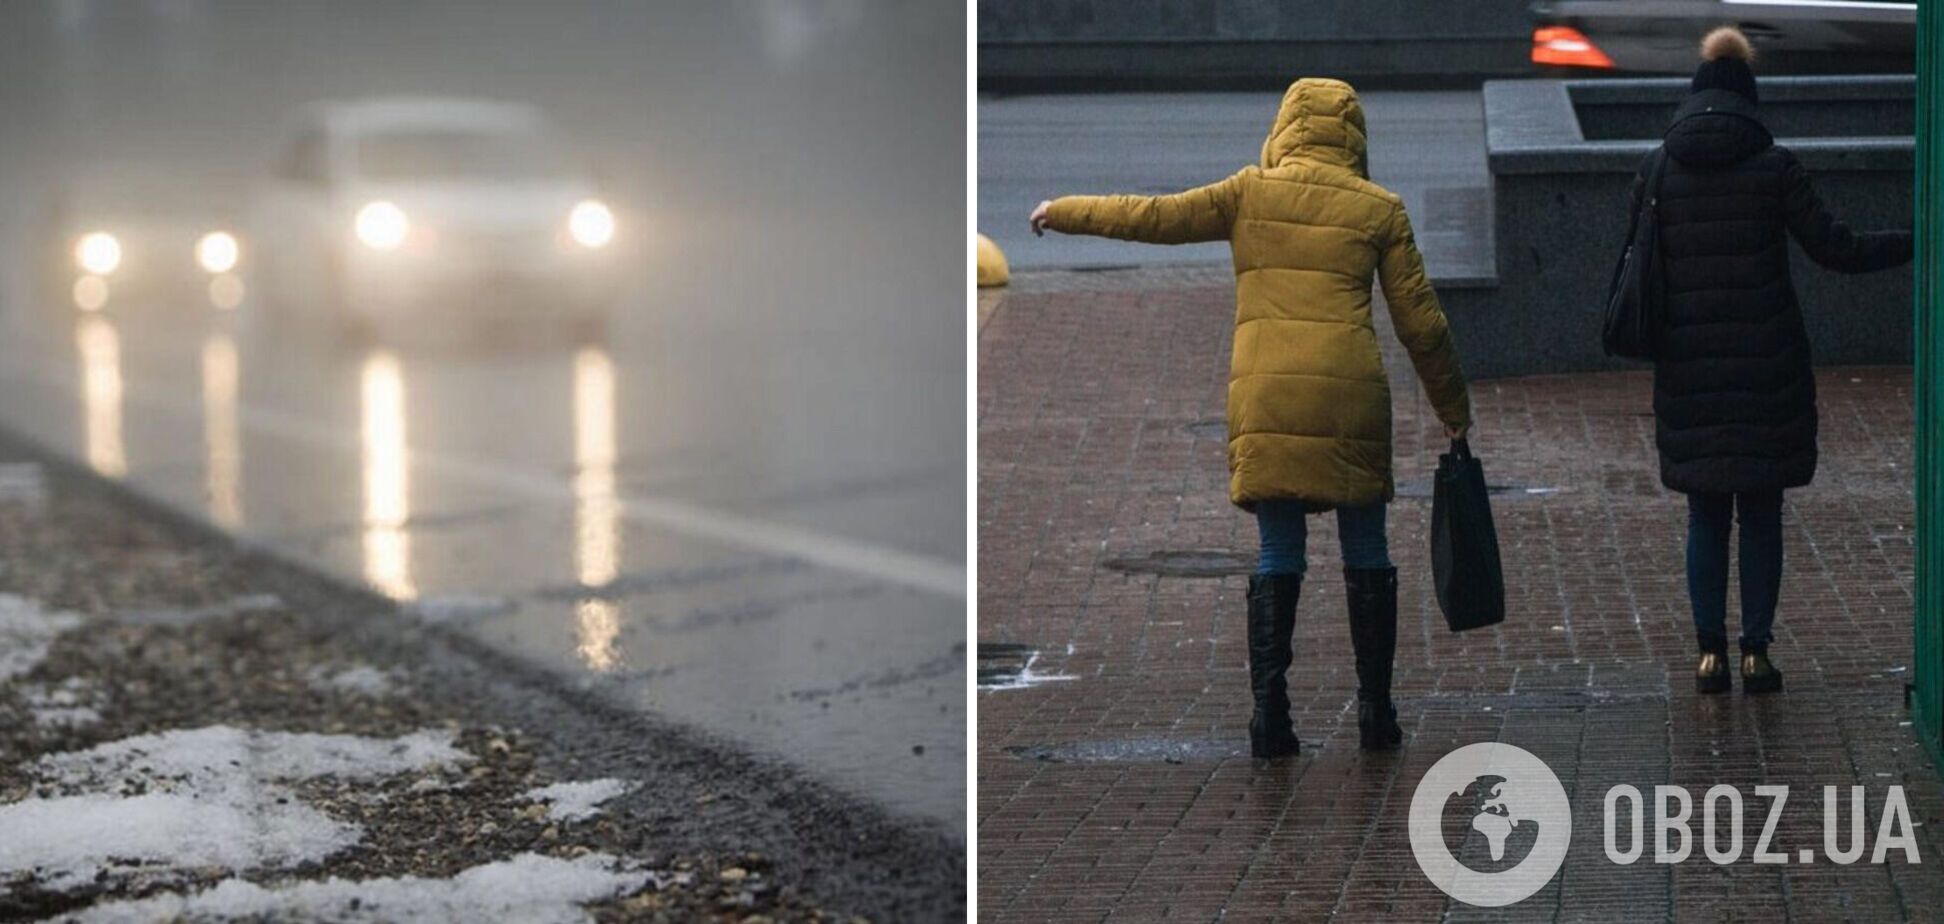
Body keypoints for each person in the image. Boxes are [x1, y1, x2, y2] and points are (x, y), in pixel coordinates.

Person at [1029, 78, 1472, 756]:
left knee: (1277, 552)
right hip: (1349, 397)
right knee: (1367, 551)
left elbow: (1150, 217)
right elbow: (1423, 324)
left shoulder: (1247, 193)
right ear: (1353, 137)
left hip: (1268, 399)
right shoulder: (1380, 209)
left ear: (1284, 128)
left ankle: (1270, 718)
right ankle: (1376, 713)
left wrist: (1063, 211)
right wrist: (1453, 410)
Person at [1642, 28, 1911, 694]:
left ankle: (1709, 657)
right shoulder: (1774, 166)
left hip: (1690, 366)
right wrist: (1916, 237)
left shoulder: (1657, 168)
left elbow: (1637, 266)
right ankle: (1756, 652)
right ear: (1749, 101)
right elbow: (1834, 248)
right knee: (1760, 512)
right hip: (1767, 366)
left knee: (1705, 514)